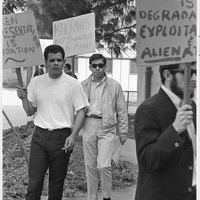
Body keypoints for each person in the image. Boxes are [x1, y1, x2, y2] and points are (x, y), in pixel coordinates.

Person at [17, 44, 89, 200]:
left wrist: (73, 135)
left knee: (56, 185)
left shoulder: (72, 84)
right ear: (45, 62)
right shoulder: (36, 82)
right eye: (52, 60)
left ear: (64, 62)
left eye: (59, 60)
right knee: (34, 183)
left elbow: (82, 110)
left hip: (62, 138)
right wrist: (23, 98)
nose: (55, 63)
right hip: (39, 137)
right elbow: (30, 111)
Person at [134, 62, 196, 200]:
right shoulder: (148, 109)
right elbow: (148, 162)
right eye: (188, 72)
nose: (194, 78)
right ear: (168, 75)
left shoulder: (192, 106)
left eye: (196, 72)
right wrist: (175, 129)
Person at [80, 53, 128, 200]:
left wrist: (123, 131)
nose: (97, 68)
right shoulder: (83, 85)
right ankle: (92, 197)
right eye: (94, 65)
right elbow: (77, 108)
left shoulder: (115, 86)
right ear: (90, 67)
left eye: (100, 65)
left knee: (104, 165)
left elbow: (121, 110)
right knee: (90, 166)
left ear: (105, 67)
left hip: (107, 126)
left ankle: (107, 196)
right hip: (88, 124)